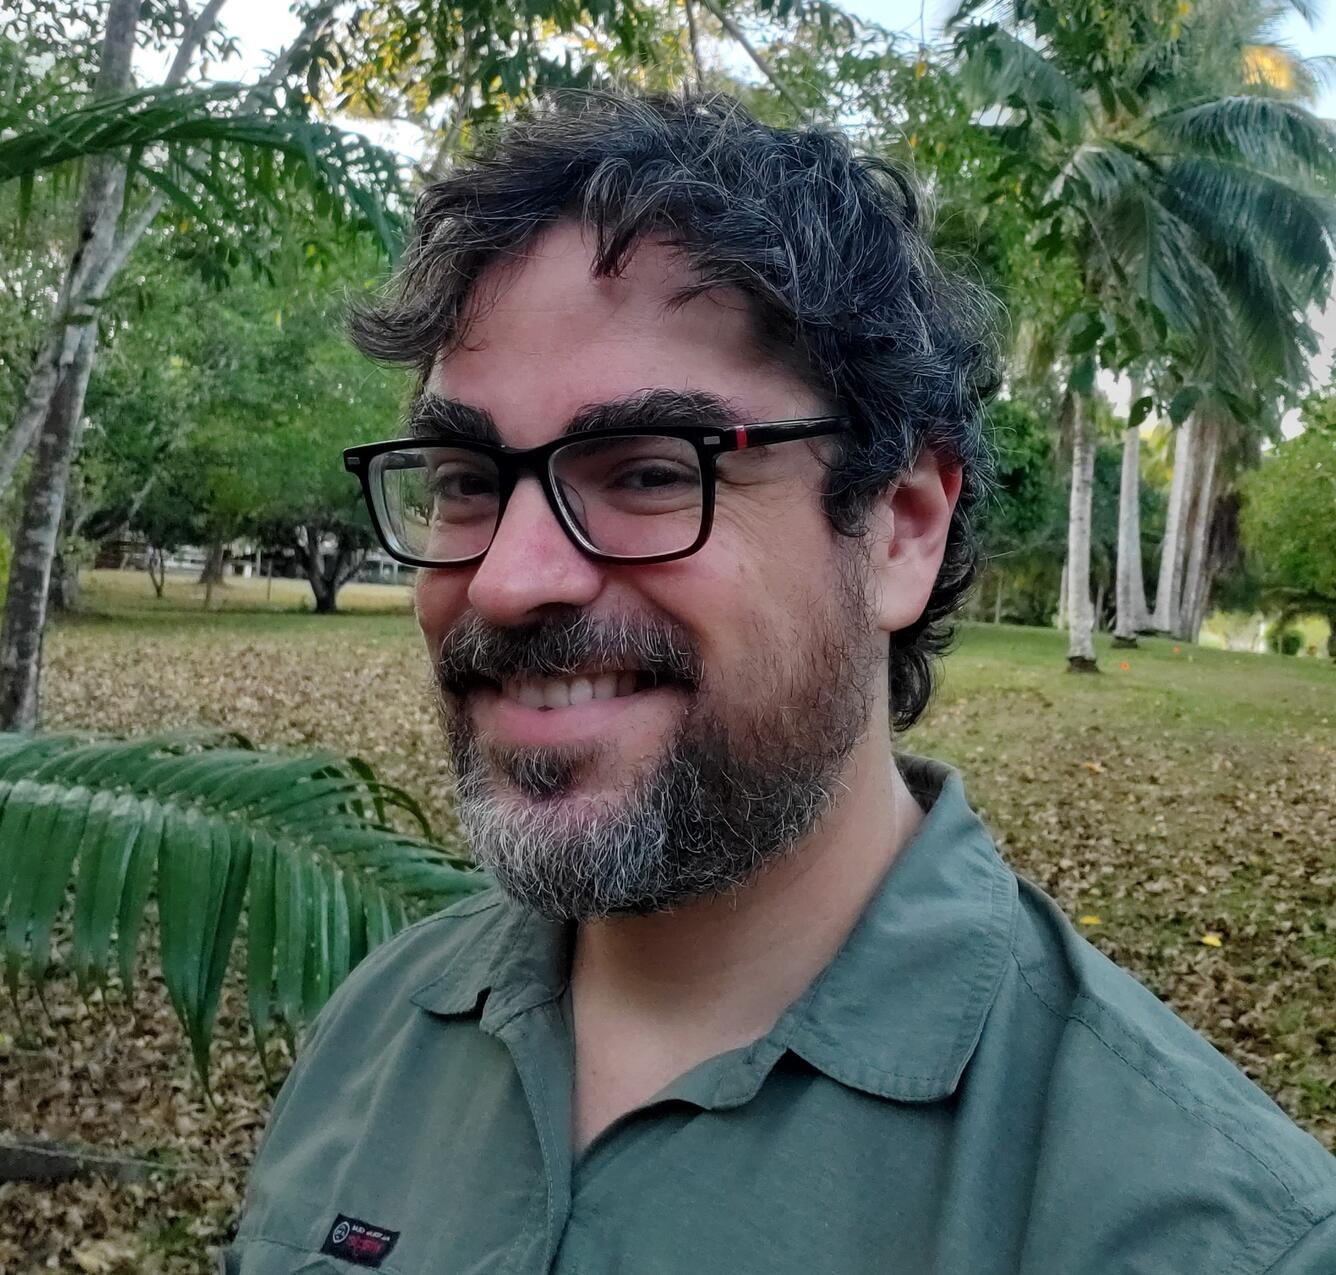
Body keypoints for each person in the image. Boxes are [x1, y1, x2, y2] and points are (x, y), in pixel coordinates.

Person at [223, 93, 1336, 1274]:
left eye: (650, 471)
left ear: (901, 528)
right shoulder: (378, 1025)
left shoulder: (1198, 1229)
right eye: (463, 481)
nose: (506, 580)